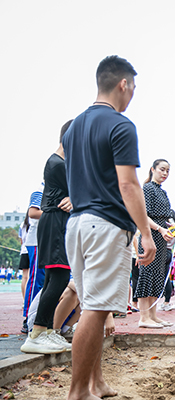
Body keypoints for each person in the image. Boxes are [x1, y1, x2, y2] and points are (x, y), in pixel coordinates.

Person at [62, 55, 156, 400]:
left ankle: (95, 383)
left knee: (92, 307)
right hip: (106, 225)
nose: (132, 95)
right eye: (133, 88)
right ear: (123, 84)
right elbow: (129, 185)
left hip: (78, 224)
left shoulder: (74, 127)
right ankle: (77, 392)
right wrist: (145, 233)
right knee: (96, 309)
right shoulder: (120, 125)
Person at [21, 120, 74, 354]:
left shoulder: (62, 163)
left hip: (57, 224)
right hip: (54, 225)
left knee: (56, 279)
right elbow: (87, 189)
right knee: (59, 279)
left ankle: (48, 331)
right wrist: (78, 199)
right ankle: (37, 333)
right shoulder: (57, 164)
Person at [136, 159, 174, 328]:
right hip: (149, 234)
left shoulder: (163, 192)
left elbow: (166, 216)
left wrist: (171, 227)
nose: (165, 173)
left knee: (158, 275)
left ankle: (153, 315)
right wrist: (160, 229)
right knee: (147, 274)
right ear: (153, 169)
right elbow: (143, 214)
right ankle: (143, 317)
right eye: (162, 169)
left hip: (161, 236)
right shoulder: (147, 189)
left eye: (167, 170)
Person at [22, 184, 45, 335]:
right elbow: (32, 213)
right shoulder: (40, 189)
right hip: (37, 241)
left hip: (51, 240)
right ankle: (27, 318)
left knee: (45, 281)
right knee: (35, 280)